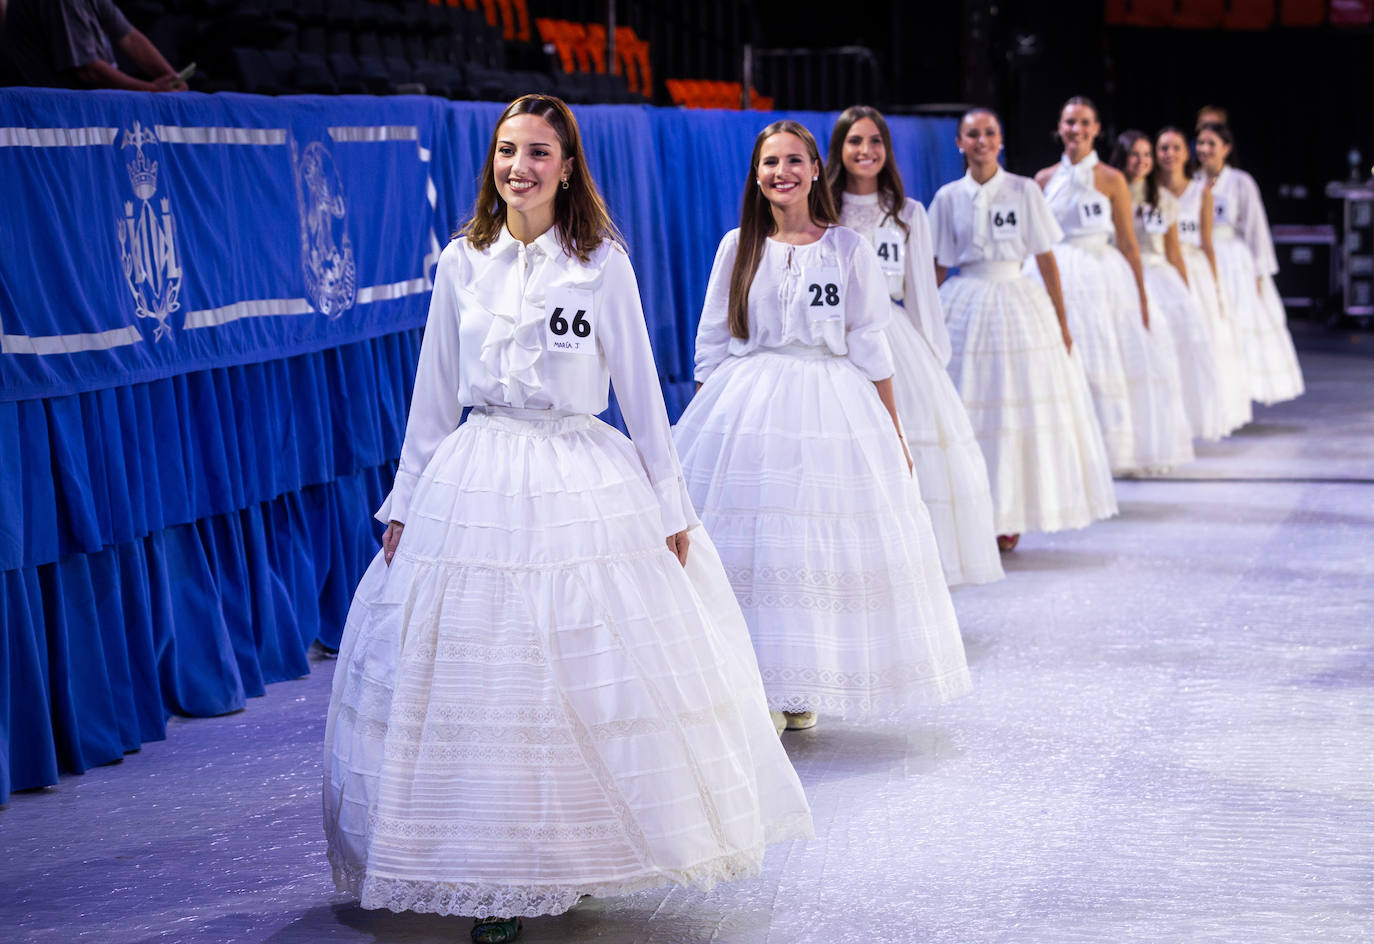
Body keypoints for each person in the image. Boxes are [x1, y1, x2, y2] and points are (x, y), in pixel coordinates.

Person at [322, 95, 812, 944]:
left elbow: (641, 392)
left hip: (580, 473)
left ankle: (572, 850)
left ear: (568, 165)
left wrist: (670, 503)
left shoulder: (601, 263)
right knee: (492, 683)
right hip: (476, 480)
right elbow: (433, 394)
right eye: (508, 151)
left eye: (539, 152)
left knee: (583, 676)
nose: (520, 168)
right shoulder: (461, 262)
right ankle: (500, 871)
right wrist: (405, 499)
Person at [673, 119, 970, 732]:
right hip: (748, 407)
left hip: (829, 406)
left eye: (792, 161)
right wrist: (702, 424)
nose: (780, 173)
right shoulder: (738, 246)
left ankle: (799, 684)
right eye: (768, 164)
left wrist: (893, 432)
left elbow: (869, 343)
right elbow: (712, 341)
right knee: (751, 548)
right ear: (756, 177)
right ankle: (755, 682)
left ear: (813, 169)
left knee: (809, 549)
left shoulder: (846, 249)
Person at [827, 105, 1003, 588]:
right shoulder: (824, 208)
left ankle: (912, 566)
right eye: (855, 141)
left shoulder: (908, 213)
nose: (866, 151)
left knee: (910, 447)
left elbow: (923, 290)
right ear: (840, 149)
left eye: (875, 141)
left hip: (895, 337)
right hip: (835, 341)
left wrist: (932, 358)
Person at [928, 107, 1116, 551]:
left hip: (1016, 301)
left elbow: (1046, 257)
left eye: (990, 132)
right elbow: (937, 264)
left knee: (1012, 409)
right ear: (960, 142)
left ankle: (1007, 513)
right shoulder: (948, 197)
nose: (981, 141)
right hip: (965, 301)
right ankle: (969, 511)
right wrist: (915, 319)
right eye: (972, 134)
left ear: (1001, 140)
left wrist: (1062, 321)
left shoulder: (1024, 190)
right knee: (967, 406)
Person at [1034, 96, 1193, 475]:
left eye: (1085, 122)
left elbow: (1127, 242)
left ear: (1096, 129)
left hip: (1099, 276)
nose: (1077, 129)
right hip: (1055, 269)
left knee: (1103, 357)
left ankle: (1105, 450)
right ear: (1060, 127)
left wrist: (1140, 297)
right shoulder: (1042, 179)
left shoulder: (1111, 178)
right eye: (1070, 122)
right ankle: (1063, 450)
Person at [1111, 129, 1227, 441]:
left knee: (1167, 351)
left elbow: (1174, 251)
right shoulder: (1110, 192)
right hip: (1121, 277)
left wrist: (1187, 293)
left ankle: (1167, 423)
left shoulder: (1162, 199)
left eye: (1146, 154)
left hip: (1160, 278)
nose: (1142, 161)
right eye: (1135, 154)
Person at [1194, 122, 1304, 406]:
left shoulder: (1240, 182)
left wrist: (1259, 272)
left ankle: (1239, 392)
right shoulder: (1191, 181)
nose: (1204, 149)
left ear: (1226, 148)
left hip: (1232, 261)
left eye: (1211, 144)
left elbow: (1256, 229)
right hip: (1199, 257)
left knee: (1238, 325)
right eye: (1201, 143)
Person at [1155, 126, 1252, 432]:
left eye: (1176, 148)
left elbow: (1207, 243)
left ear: (1186, 153)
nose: (1169, 154)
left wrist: (1215, 286)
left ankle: (1198, 411)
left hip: (1193, 271)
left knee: (1199, 340)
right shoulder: (1149, 190)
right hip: (1159, 270)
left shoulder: (1201, 193)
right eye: (1163, 148)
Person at [0, 0, 185, 91]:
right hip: (48, 118)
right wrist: (152, 89)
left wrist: (172, 78)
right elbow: (90, 72)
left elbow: (130, 38)